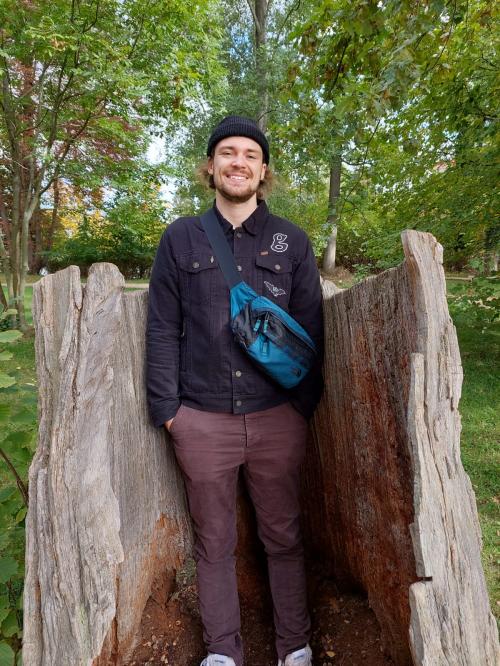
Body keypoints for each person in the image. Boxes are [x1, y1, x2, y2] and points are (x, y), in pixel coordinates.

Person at [146, 115, 324, 666]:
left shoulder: (291, 241)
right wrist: (170, 412)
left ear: (263, 170)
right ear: (211, 166)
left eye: (250, 154)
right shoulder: (181, 238)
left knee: (284, 537)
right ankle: (223, 651)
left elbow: (312, 329)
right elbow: (161, 327)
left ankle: (294, 646)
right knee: (214, 542)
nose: (238, 162)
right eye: (228, 152)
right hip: (202, 421)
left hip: (277, 419)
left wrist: (300, 408)